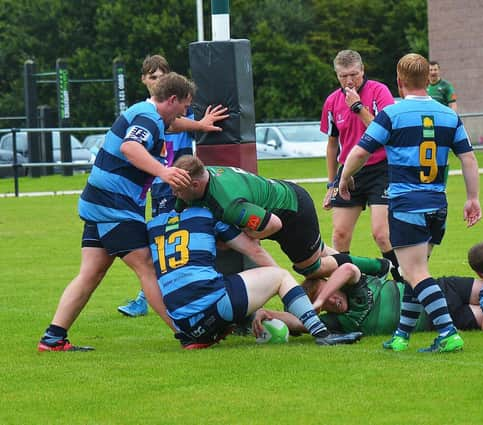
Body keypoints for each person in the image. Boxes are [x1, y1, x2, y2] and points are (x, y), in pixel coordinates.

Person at [38, 72, 196, 351]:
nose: (185, 113)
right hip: (113, 206)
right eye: (185, 106)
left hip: (98, 201)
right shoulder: (149, 118)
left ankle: (53, 338)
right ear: (172, 99)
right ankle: (188, 334)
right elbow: (130, 146)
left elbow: (173, 126)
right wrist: (164, 171)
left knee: (91, 272)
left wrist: (203, 126)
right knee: (147, 265)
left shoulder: (147, 114)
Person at [338, 53, 482, 353]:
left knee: (415, 273)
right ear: (427, 80)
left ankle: (448, 333)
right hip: (437, 205)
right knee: (412, 270)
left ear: (400, 81)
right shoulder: (448, 115)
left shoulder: (393, 114)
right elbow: (468, 158)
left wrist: (343, 178)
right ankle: (402, 335)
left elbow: (362, 151)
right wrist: (472, 198)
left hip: (408, 204)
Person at [148, 206, 363, 348]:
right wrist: (288, 292)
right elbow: (254, 251)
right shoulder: (206, 213)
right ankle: (323, 335)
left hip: (182, 322)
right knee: (280, 276)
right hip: (214, 305)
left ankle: (197, 335)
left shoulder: (153, 226)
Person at [117, 54, 229, 317]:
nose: (157, 81)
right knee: (159, 239)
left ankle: (161, 295)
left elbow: (176, 125)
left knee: (174, 237)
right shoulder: (146, 112)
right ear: (144, 80)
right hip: (155, 182)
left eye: (161, 76)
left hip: (174, 180)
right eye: (152, 77)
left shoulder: (174, 108)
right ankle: (155, 295)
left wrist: (200, 125)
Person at [171, 155, 392, 280]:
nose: (175, 195)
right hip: (280, 202)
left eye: (178, 190)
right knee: (320, 252)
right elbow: (179, 209)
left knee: (311, 269)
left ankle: (375, 266)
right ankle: (381, 268)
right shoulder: (200, 175)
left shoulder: (228, 204)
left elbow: (273, 225)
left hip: (292, 212)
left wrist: (243, 235)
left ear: (196, 185)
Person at [320, 50, 400, 278]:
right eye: (343, 76)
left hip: (381, 169)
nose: (349, 81)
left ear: (363, 71)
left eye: (354, 74)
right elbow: (332, 145)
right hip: (349, 173)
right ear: (336, 76)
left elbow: (385, 131)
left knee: (381, 234)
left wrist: (357, 107)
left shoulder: (378, 91)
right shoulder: (332, 102)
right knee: (339, 235)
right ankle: (350, 288)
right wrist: (331, 183)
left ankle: (404, 285)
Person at [251, 263, 483, 338]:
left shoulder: (355, 284)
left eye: (331, 292)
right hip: (438, 320)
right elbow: (299, 322)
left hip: (439, 289)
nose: (331, 301)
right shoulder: (338, 322)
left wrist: (320, 298)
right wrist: (267, 313)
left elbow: (348, 268)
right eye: (326, 304)